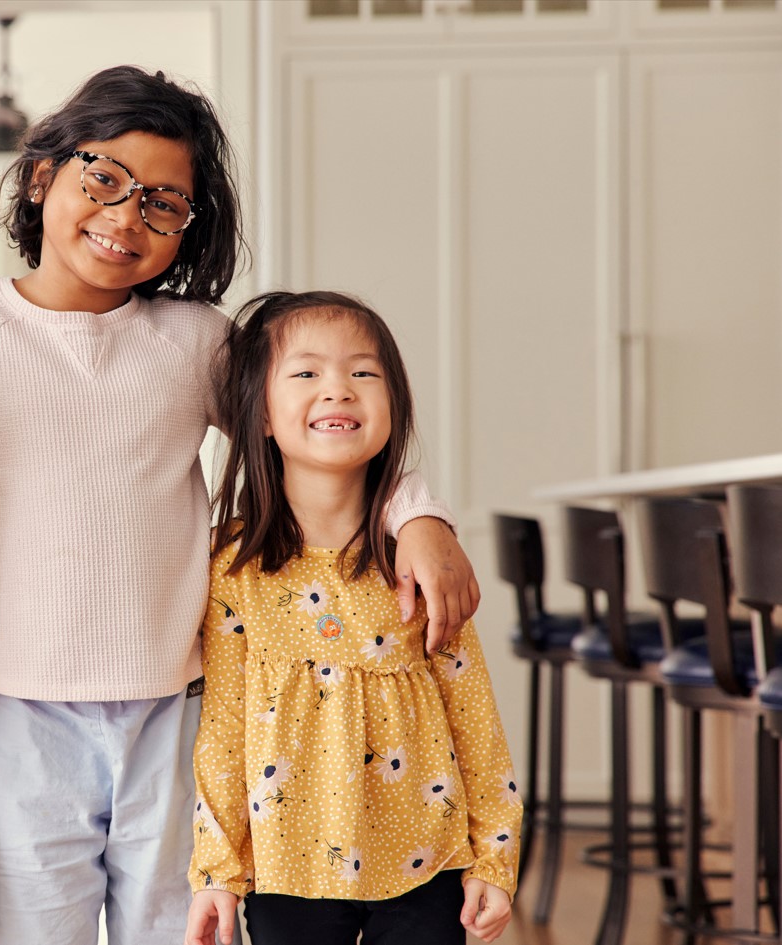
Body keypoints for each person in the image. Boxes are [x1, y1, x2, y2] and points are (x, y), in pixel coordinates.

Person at [0, 67, 481, 945]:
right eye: (104, 179)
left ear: (188, 227)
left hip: (174, 703)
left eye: (163, 202)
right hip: (14, 710)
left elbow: (316, 424)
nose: (126, 217)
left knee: (175, 929)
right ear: (42, 177)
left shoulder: (193, 341)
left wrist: (417, 515)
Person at [185, 291, 519, 945]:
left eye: (362, 372)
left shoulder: (423, 561)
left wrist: (495, 857)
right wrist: (216, 872)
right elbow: (222, 727)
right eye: (306, 373)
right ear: (259, 414)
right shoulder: (231, 565)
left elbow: (474, 716)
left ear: (392, 405)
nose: (337, 389)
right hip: (288, 868)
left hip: (427, 863)